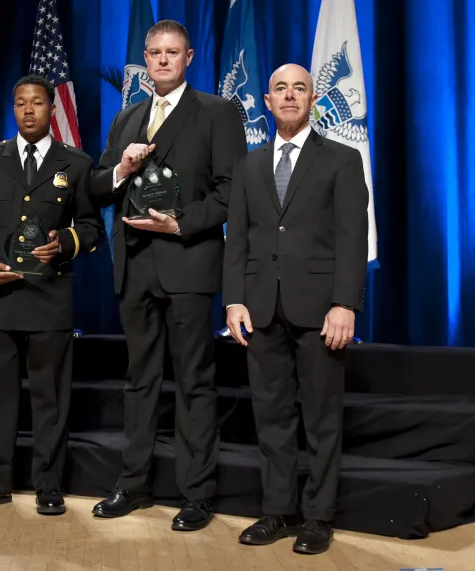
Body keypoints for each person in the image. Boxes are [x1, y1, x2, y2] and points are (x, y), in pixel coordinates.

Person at [88, 20, 247, 532]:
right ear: (145, 57)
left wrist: (182, 223)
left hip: (188, 262)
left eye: (171, 52)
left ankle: (197, 494)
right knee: (139, 381)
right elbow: (98, 186)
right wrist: (120, 171)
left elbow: (230, 192)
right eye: (153, 53)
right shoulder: (127, 117)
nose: (161, 61)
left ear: (189, 57)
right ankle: (133, 485)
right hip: (134, 266)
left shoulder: (219, 113)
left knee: (195, 381)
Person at [223, 64, 368, 554]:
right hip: (261, 309)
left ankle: (317, 517)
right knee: (272, 416)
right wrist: (234, 299)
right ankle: (278, 511)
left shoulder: (342, 161)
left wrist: (345, 303)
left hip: (320, 309)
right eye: (280, 89)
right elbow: (237, 239)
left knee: (322, 419)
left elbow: (353, 239)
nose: (289, 96)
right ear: (266, 101)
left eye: (299, 88)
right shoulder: (250, 164)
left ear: (313, 99)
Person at [0, 75, 102, 516]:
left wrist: (65, 244)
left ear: (52, 110)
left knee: (49, 400)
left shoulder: (75, 162)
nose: (29, 110)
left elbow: (92, 227)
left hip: (48, 300)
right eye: (21, 103)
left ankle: (48, 484)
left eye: (38, 102)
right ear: (12, 109)